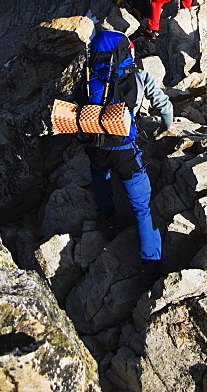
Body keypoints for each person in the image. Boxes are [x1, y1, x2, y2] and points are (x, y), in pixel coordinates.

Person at [75, 26, 173, 279]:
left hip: (94, 146)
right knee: (141, 206)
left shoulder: (86, 79)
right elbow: (163, 104)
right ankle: (150, 262)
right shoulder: (138, 77)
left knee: (99, 175)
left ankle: (106, 218)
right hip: (124, 150)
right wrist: (169, 124)